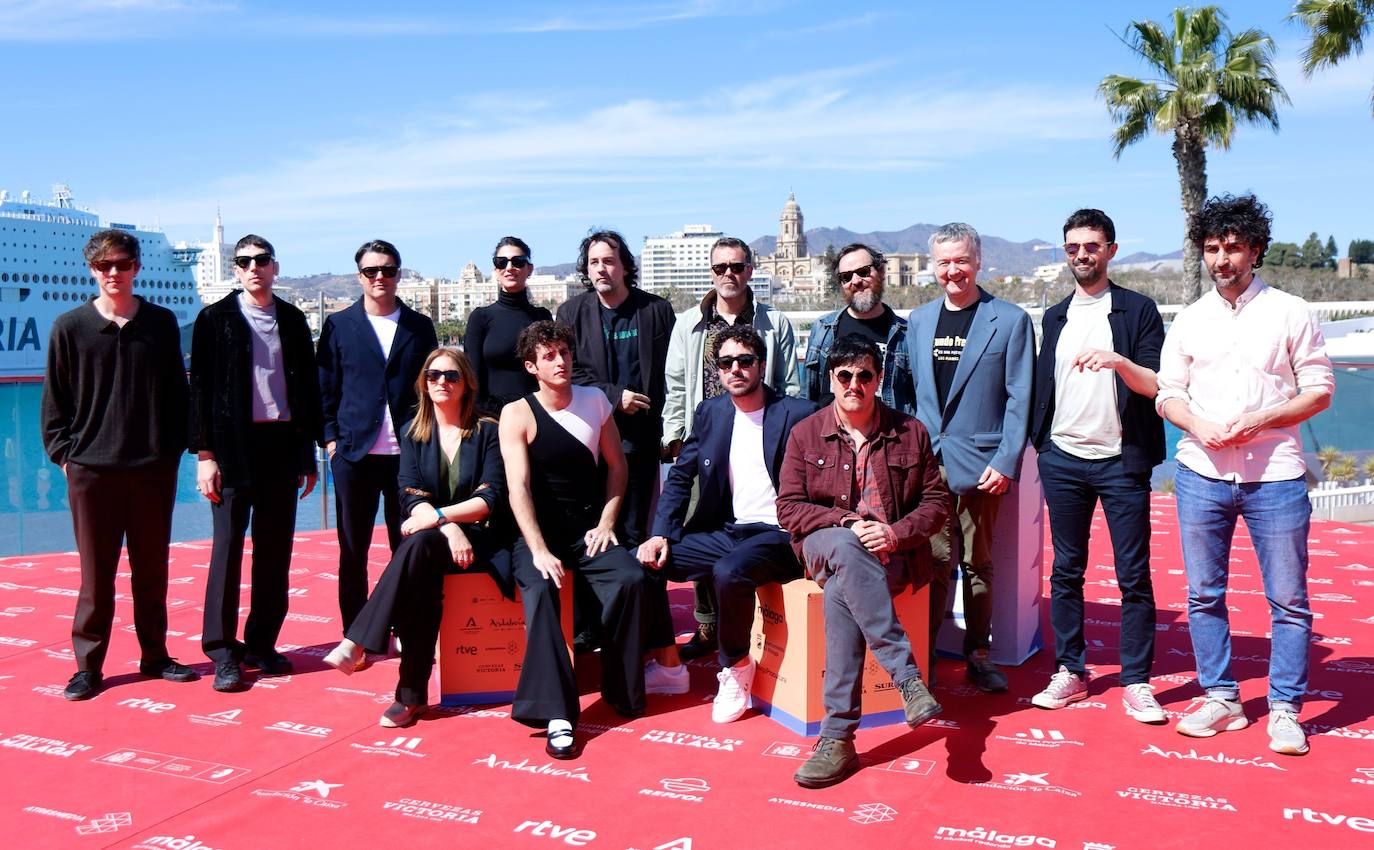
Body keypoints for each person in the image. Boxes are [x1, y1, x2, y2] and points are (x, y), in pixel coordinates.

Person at [1156, 193, 1333, 756]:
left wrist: (1260, 420)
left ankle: (1285, 708)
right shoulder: (1189, 319)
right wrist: (1197, 425)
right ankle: (1223, 698)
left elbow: (1319, 391)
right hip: (1199, 473)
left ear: (1255, 250)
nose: (1221, 259)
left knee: (1288, 600)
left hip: (1276, 476)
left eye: (1233, 247)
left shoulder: (1291, 311)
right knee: (1204, 595)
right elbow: (1168, 394)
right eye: (1212, 248)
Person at [777, 334, 949, 788]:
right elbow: (789, 508)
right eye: (845, 375)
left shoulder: (911, 432)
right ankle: (907, 678)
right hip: (822, 545)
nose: (855, 383)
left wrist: (894, 532)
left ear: (878, 379)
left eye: (865, 375)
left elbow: (936, 505)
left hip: (887, 554)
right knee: (847, 549)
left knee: (840, 592)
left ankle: (837, 738)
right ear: (832, 378)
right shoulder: (805, 433)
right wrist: (847, 522)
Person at [41, 229, 195, 701]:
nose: (114, 273)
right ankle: (88, 666)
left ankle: (155, 655)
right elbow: (55, 404)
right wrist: (67, 456)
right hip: (92, 472)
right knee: (96, 574)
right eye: (105, 265)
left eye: (123, 264)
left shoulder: (162, 323)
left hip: (152, 469)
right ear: (92, 269)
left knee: (152, 569)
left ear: (136, 268)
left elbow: (177, 395)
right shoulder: (70, 327)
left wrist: (172, 451)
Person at [1029, 209, 1167, 723]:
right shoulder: (1055, 315)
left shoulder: (1137, 311)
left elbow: (1155, 384)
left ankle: (1136, 681)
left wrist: (1118, 361)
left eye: (1091, 246)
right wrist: (1039, 444)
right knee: (1067, 570)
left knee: (1134, 575)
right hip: (1062, 459)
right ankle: (1072, 670)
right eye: (1072, 248)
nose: (1081, 255)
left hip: (1121, 462)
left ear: (1110, 249)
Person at [639, 325, 815, 722]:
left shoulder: (798, 413)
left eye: (745, 360)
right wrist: (659, 534)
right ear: (717, 371)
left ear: (762, 365)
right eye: (726, 363)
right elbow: (681, 476)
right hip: (729, 529)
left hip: (780, 535)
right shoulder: (711, 413)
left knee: (729, 572)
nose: (736, 369)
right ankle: (669, 667)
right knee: (645, 564)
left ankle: (735, 668)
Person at [324, 349, 507, 729]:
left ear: (466, 383)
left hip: (485, 540)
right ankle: (408, 694)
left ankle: (365, 651)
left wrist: (440, 517)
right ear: (424, 383)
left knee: (415, 553)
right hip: (439, 539)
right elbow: (410, 495)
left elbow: (489, 498)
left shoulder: (488, 430)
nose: (442, 381)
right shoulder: (413, 433)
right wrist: (447, 526)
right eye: (434, 375)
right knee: (419, 564)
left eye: (452, 376)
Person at [498, 320, 649, 759]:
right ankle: (559, 716)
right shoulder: (516, 413)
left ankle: (619, 687)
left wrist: (606, 524)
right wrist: (539, 549)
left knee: (630, 579)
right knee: (544, 587)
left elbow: (618, 468)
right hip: (536, 535)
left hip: (588, 531)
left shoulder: (595, 400)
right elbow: (518, 488)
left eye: (564, 352)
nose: (560, 361)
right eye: (549, 356)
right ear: (532, 366)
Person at [189, 234, 321, 693]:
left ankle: (262, 644)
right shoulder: (215, 319)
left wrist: (308, 456)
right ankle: (224, 652)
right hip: (230, 448)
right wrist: (204, 455)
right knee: (226, 552)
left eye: (261, 260)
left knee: (274, 553)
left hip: (281, 447)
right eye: (243, 261)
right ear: (235, 269)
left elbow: (306, 391)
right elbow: (200, 391)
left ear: (275, 266)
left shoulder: (293, 318)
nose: (253, 268)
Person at [661, 235, 801, 662]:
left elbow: (792, 383)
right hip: (706, 439)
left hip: (760, 435)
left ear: (749, 271)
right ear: (711, 272)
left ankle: (750, 633)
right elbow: (676, 386)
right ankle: (707, 626)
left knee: (743, 545)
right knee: (702, 526)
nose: (728, 275)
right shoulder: (688, 323)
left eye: (736, 267)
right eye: (720, 268)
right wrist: (674, 436)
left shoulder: (774, 324)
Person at [907, 222, 1034, 692]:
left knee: (977, 564)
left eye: (961, 260)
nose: (952, 270)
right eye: (943, 262)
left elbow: (1020, 397)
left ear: (978, 261)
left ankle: (979, 653)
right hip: (929, 464)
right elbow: (914, 395)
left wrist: (1006, 461)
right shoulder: (918, 322)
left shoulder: (1010, 320)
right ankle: (925, 659)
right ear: (933, 266)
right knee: (935, 560)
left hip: (983, 465)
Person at [555, 230, 675, 668]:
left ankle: (643, 633)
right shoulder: (572, 312)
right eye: (593, 263)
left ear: (625, 265)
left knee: (639, 538)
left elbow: (670, 373)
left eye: (609, 261)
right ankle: (591, 627)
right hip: (590, 443)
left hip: (643, 445)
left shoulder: (656, 311)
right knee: (594, 536)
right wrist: (614, 394)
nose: (601, 269)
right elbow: (568, 372)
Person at [317, 239, 437, 633]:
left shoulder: (419, 327)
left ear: (398, 274)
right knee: (353, 551)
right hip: (354, 455)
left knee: (406, 548)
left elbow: (434, 388)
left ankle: (406, 627)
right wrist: (331, 440)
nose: (380, 277)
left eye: (388, 270)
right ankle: (357, 632)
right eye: (372, 271)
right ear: (360, 277)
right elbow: (326, 387)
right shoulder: (339, 325)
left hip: (409, 456)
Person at [801, 243, 915, 414]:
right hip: (830, 436)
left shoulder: (905, 335)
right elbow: (808, 393)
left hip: (888, 436)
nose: (855, 281)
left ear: (882, 272)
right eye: (846, 277)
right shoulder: (823, 329)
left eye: (863, 272)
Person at [463, 236, 552, 417]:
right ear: (496, 270)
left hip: (538, 415)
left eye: (518, 261)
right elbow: (472, 377)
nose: (509, 268)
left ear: (529, 269)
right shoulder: (481, 318)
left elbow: (550, 370)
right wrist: (497, 416)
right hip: (492, 420)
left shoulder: (542, 317)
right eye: (502, 262)